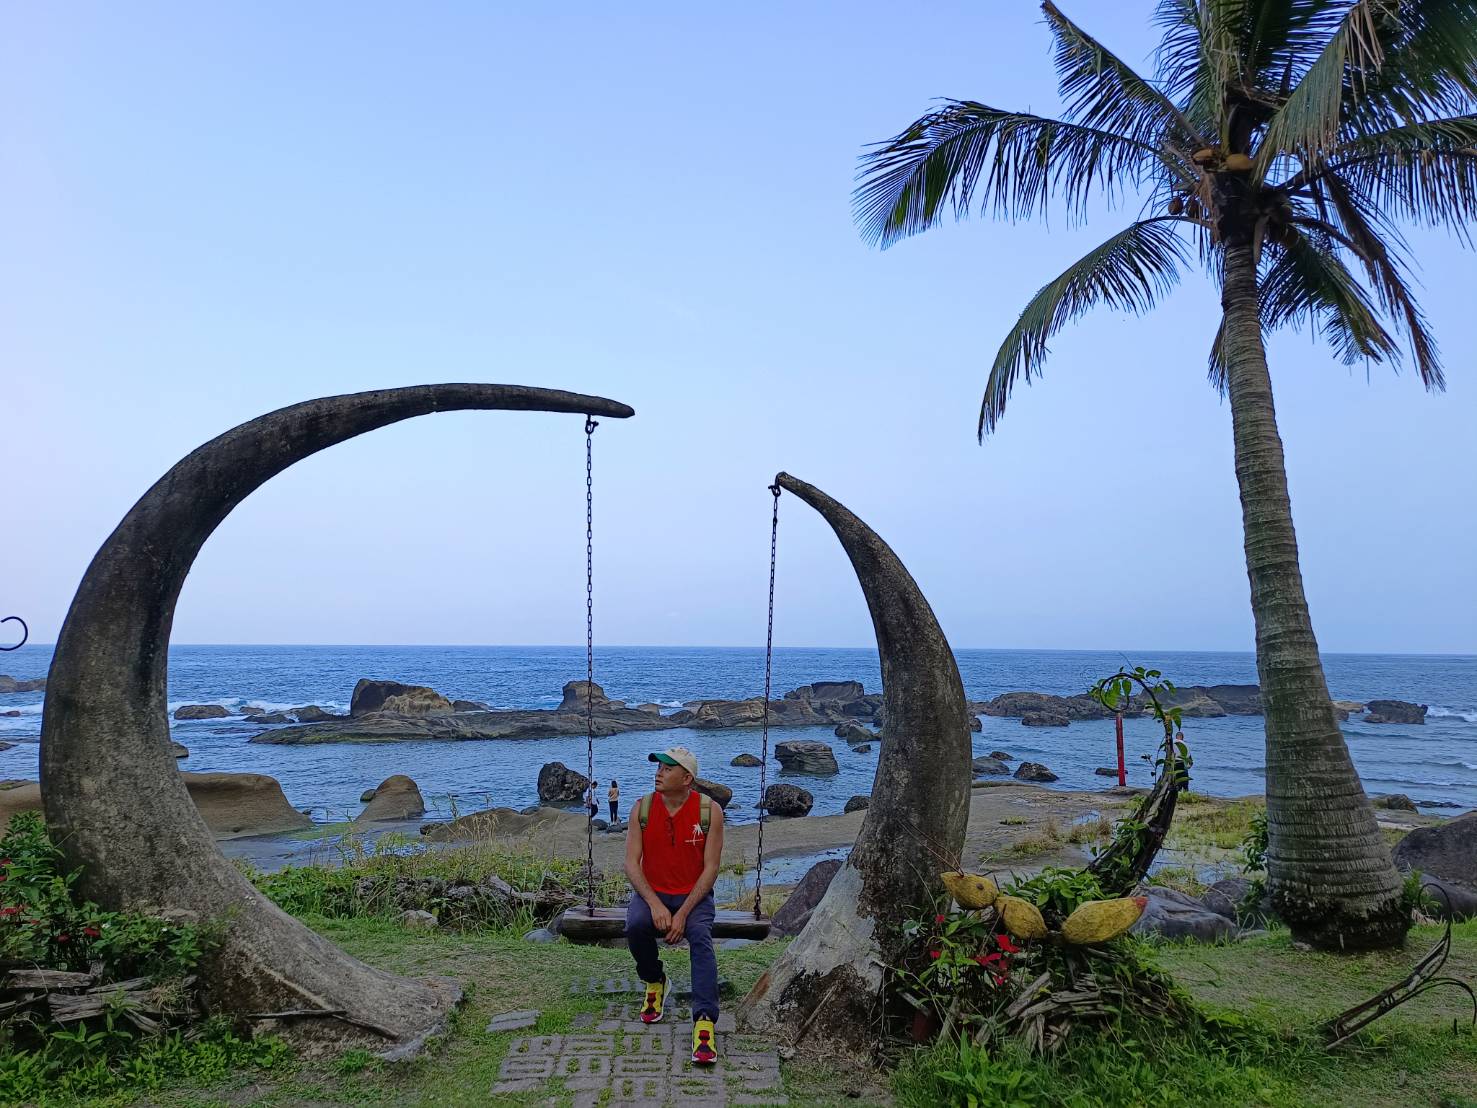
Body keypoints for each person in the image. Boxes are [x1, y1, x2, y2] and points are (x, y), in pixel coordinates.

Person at [623, 745, 724, 1065]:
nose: (659, 772)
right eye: (659, 766)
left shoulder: (709, 812)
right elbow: (631, 864)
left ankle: (704, 1021)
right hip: (653, 893)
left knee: (700, 938)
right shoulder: (641, 809)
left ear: (687, 778)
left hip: (694, 896)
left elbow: (710, 869)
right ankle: (655, 980)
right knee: (635, 926)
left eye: (668, 768)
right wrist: (655, 905)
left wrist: (681, 914)